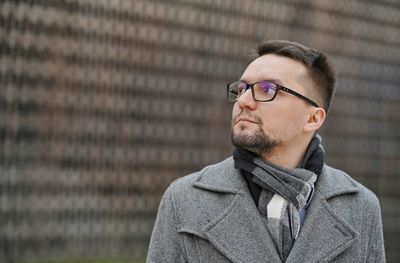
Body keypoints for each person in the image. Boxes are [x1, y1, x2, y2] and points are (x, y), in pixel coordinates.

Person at [147, 40, 385, 262]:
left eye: (268, 89)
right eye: (242, 88)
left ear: (313, 118)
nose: (244, 101)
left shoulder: (361, 207)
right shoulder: (184, 199)